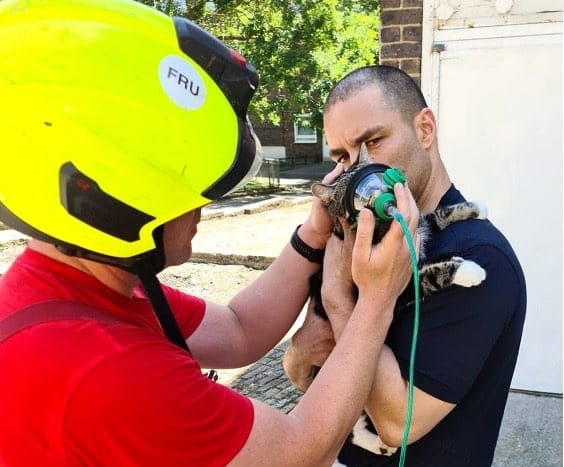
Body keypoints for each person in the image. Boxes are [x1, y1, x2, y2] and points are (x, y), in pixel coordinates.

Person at [0, 1, 420, 465]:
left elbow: (240, 331)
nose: (205, 203)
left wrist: (312, 235)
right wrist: (378, 299)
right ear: (112, 203)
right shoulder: (104, 369)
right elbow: (303, 452)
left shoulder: (83, 285)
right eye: (188, 186)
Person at [283, 65, 527, 466]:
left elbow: (398, 423)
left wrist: (339, 300)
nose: (359, 169)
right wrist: (297, 354)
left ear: (425, 129)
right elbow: (298, 363)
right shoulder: (359, 235)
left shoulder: (481, 258)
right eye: (343, 157)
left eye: (373, 142)